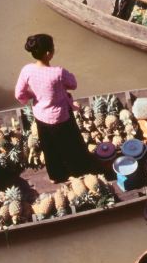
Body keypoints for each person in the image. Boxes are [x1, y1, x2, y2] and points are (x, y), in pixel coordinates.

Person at [14, 34, 92, 183]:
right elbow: (73, 84)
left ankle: (56, 176)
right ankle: (78, 171)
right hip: (60, 117)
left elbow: (19, 94)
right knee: (71, 145)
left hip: (40, 116)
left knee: (49, 148)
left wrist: (32, 95)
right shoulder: (58, 72)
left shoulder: (27, 70)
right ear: (48, 54)